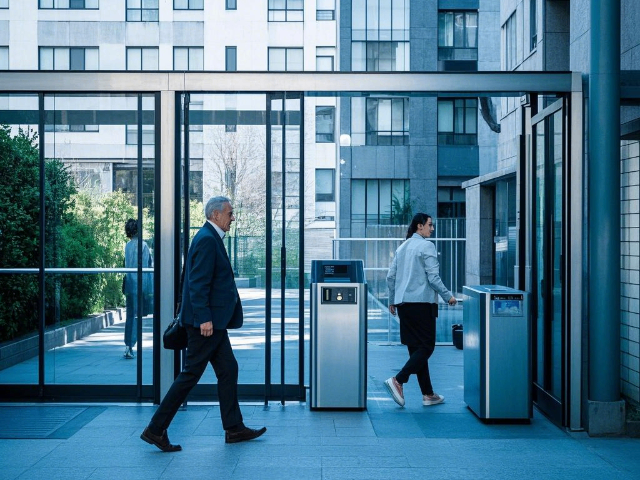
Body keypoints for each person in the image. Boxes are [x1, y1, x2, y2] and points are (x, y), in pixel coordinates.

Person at [141, 196, 266, 451]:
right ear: (216, 215)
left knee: (228, 369)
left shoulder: (208, 237)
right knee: (190, 375)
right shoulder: (208, 240)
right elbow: (197, 283)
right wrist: (205, 318)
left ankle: (234, 428)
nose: (233, 218)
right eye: (230, 214)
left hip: (213, 322)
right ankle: (156, 429)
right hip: (206, 324)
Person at [384, 213, 457, 408]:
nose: (432, 229)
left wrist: (392, 300)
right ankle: (398, 380)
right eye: (430, 225)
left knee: (416, 350)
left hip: (403, 306)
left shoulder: (403, 247)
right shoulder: (427, 246)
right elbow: (433, 278)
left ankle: (428, 394)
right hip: (422, 305)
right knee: (426, 347)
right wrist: (447, 295)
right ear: (419, 226)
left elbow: (390, 277)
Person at [123, 218, 153, 359]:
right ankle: (131, 345)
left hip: (129, 284)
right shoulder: (144, 246)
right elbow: (147, 267)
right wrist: (148, 291)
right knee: (136, 316)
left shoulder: (128, 246)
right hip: (140, 284)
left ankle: (128, 345)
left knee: (130, 316)